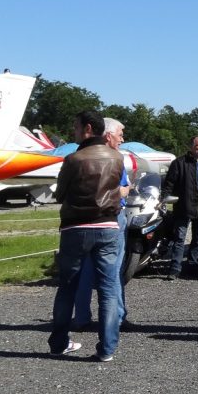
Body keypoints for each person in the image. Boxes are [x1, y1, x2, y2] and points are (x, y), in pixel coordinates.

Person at [47, 110, 124, 361]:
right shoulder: (116, 158)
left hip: (76, 227)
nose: (74, 131)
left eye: (76, 127)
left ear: (88, 128)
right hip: (108, 227)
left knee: (67, 287)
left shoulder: (73, 159)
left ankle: (59, 342)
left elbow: (59, 195)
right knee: (109, 289)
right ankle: (107, 348)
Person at [73, 117, 130, 329]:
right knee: (113, 272)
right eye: (120, 134)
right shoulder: (115, 158)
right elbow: (120, 190)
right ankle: (116, 319)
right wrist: (128, 189)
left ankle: (81, 317)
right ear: (108, 135)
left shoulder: (80, 157)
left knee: (85, 271)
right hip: (112, 218)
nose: (122, 139)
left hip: (84, 220)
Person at [160, 135, 198, 280]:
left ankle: (192, 266)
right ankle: (175, 269)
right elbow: (169, 183)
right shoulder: (179, 163)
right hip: (184, 206)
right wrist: (163, 199)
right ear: (191, 147)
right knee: (179, 238)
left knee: (197, 239)